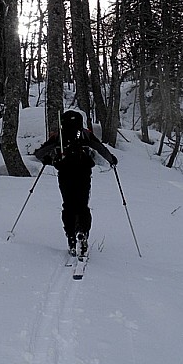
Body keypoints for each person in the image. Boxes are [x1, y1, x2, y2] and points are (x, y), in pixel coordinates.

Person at [35, 110, 117, 257]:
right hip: (83, 172)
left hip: (65, 172)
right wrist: (111, 159)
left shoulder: (59, 136)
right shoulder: (85, 133)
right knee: (82, 204)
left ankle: (71, 237)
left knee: (68, 205)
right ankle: (82, 232)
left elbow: (40, 153)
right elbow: (99, 148)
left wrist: (47, 159)